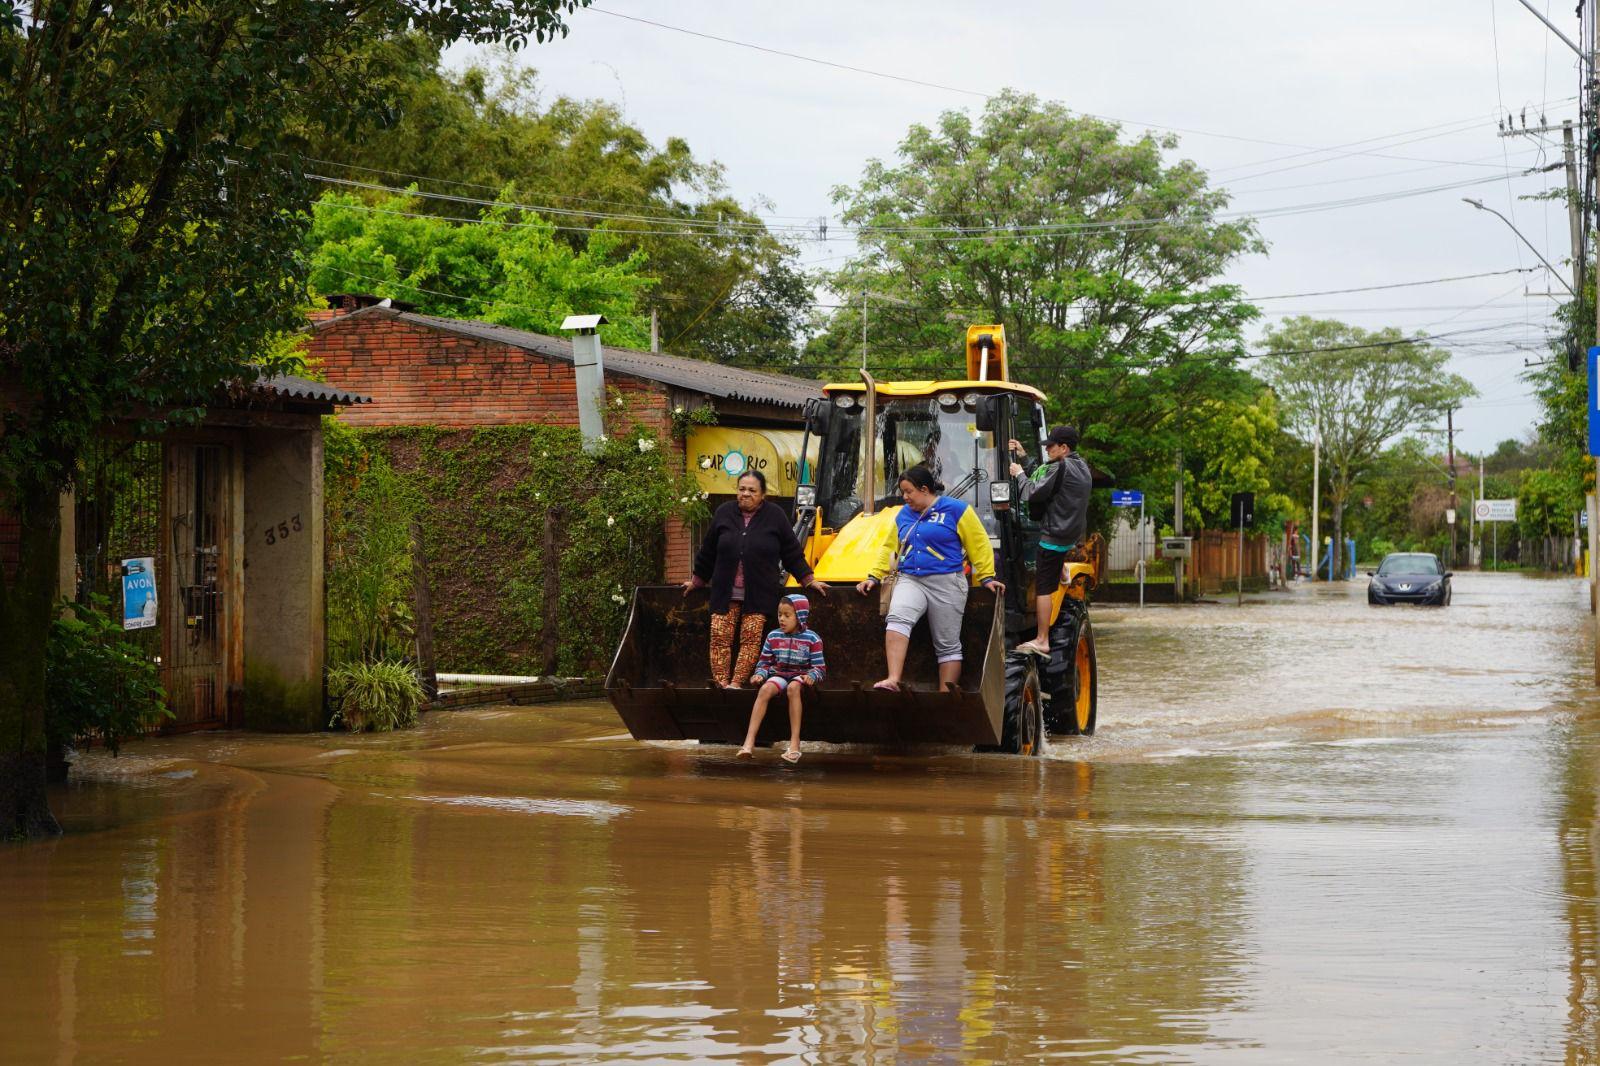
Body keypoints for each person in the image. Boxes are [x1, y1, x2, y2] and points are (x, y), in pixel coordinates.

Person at [854, 464, 1005, 692]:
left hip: (947, 581)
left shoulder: (957, 510)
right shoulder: (903, 514)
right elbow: (889, 548)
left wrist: (986, 577)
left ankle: (946, 695)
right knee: (896, 618)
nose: (905, 497)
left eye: (908, 492)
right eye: (903, 492)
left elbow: (979, 543)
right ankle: (893, 679)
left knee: (947, 643)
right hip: (910, 578)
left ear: (924, 489)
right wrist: (874, 576)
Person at [683, 470, 827, 688]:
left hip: (759, 593)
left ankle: (736, 684)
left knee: (750, 640)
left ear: (762, 494)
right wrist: (697, 581)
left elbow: (791, 552)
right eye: (741, 489)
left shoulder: (775, 516)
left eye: (752, 490)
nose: (745, 494)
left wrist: (808, 579)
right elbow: (708, 552)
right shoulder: (723, 512)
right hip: (725, 592)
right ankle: (721, 685)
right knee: (720, 637)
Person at [1008, 425, 1091, 656]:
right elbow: (1049, 478)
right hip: (1070, 535)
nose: (1048, 451)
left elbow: (1032, 492)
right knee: (1053, 561)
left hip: (1054, 537)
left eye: (1051, 447)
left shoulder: (1060, 467)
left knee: (1043, 589)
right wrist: (1025, 457)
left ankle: (1042, 639)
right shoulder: (1081, 466)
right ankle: (1062, 568)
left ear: (1063, 448)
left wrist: (1018, 474)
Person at [738, 593, 825, 763]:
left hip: (800, 676)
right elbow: (763, 663)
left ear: (800, 616)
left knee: (793, 688)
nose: (782, 619)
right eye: (779, 615)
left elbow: (819, 668)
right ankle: (748, 743)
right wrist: (759, 675)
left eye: (787, 615)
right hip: (779, 674)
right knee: (764, 689)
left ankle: (794, 744)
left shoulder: (812, 638)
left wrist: (811, 676)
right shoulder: (773, 636)